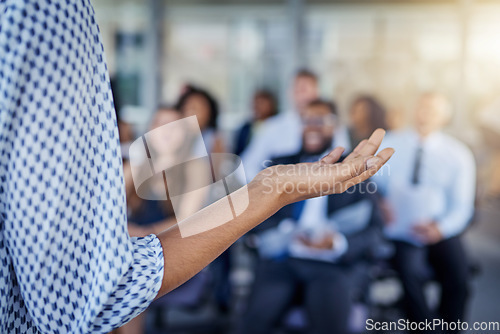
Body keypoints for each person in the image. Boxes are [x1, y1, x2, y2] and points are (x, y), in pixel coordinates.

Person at [0, 1, 394, 332]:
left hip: (331, 266)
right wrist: (274, 191)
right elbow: (84, 296)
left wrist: (283, 197)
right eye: (159, 125)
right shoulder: (43, 12)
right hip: (280, 259)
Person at [237, 100, 385, 334]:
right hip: (283, 259)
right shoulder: (279, 165)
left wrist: (337, 243)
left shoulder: (354, 170)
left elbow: (376, 231)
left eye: (321, 120)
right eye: (307, 120)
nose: (312, 126)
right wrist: (288, 235)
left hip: (332, 266)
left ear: (335, 126)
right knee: (252, 323)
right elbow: (256, 215)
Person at [375, 93, 475, 332]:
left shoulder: (458, 155)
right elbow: (370, 185)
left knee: (459, 279)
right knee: (409, 274)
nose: (425, 115)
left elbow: (462, 206)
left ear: (444, 117)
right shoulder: (390, 144)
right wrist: (378, 202)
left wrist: (440, 228)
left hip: (440, 229)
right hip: (399, 230)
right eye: (421, 108)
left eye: (432, 110)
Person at [242, 69, 351, 181]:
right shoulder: (271, 127)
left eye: (305, 90)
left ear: (317, 93)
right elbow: (248, 166)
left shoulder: (332, 125)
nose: (301, 96)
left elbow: (343, 160)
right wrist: (268, 189)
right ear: (289, 93)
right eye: (297, 90)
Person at [234, 89, 278, 156]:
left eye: (261, 103)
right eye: (255, 103)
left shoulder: (278, 125)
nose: (257, 106)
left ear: (271, 105)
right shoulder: (246, 128)